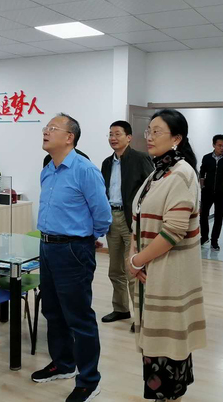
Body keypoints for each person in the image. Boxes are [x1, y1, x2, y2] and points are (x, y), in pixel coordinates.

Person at [128, 109, 207, 402]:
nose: (149, 137)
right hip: (150, 271)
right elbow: (139, 219)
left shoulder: (182, 173)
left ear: (176, 138)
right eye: (148, 131)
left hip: (168, 273)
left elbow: (173, 231)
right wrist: (134, 255)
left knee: (167, 348)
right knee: (157, 347)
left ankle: (170, 397)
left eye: (156, 131)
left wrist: (137, 260)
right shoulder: (158, 172)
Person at [32, 113, 111, 402]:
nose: (46, 131)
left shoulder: (85, 170)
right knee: (52, 311)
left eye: (53, 128)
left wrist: (88, 239)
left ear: (69, 137)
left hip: (73, 250)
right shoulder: (48, 170)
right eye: (46, 127)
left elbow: (102, 214)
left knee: (79, 317)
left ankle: (89, 380)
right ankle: (63, 363)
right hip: (47, 246)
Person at [100, 120, 153, 330]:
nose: (113, 138)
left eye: (117, 134)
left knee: (133, 269)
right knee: (115, 269)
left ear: (128, 138)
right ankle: (121, 308)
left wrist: (142, 216)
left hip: (131, 219)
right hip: (111, 218)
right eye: (110, 134)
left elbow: (151, 188)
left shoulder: (140, 159)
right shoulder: (106, 163)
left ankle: (141, 316)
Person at [199, 134, 223, 250]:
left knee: (219, 217)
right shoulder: (206, 158)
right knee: (203, 215)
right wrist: (202, 186)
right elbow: (202, 173)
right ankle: (204, 237)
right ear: (213, 145)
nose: (222, 148)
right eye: (219, 145)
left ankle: (215, 240)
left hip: (221, 193)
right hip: (207, 191)